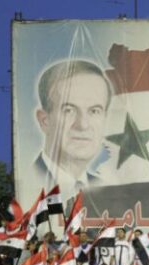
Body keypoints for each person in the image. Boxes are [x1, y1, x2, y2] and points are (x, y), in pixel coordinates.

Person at [31, 59, 113, 204]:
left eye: (94, 111)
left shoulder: (107, 191)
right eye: (69, 110)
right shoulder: (27, 182)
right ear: (44, 121)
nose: (83, 125)